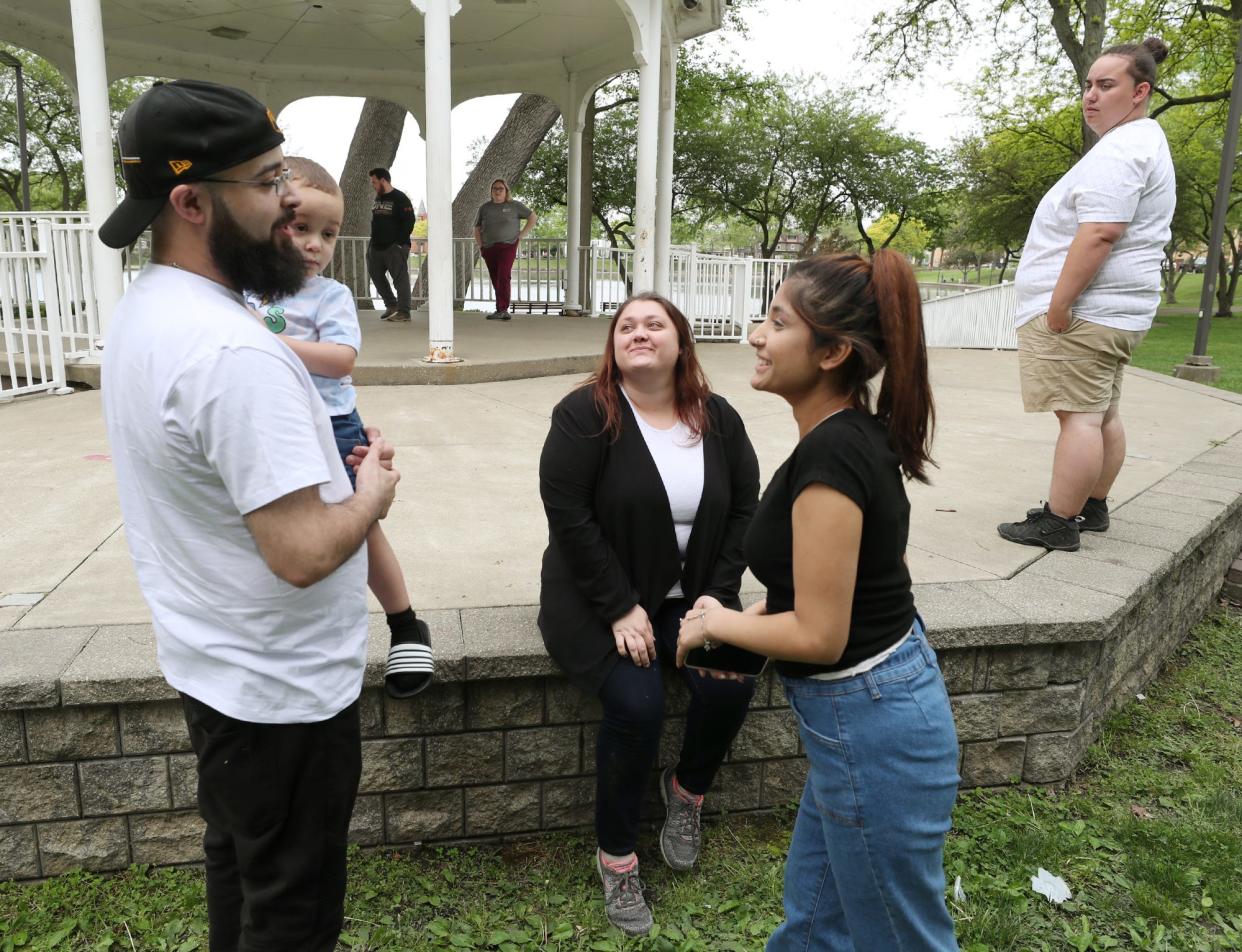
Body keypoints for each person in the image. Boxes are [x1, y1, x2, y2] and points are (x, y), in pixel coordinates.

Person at [98, 80, 400, 952]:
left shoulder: (149, 312)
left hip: (215, 667)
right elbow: (303, 552)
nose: (291, 204)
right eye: (269, 183)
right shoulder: (236, 353)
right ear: (191, 202)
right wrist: (372, 490)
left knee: (240, 866)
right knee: (291, 912)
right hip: (282, 696)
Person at [676, 252, 960, 950]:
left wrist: (717, 619)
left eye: (776, 322)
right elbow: (828, 592)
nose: (755, 334)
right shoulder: (841, 438)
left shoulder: (835, 456)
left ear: (832, 351)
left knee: (900, 940)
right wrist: (745, 621)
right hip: (864, 718)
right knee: (813, 925)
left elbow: (822, 634)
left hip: (874, 726)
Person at [538, 293, 760, 937]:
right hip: (596, 596)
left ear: (680, 343)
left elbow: (746, 507)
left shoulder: (717, 417)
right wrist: (619, 607)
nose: (639, 332)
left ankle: (686, 791)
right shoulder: (585, 413)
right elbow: (569, 519)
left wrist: (716, 598)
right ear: (613, 346)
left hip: (692, 592)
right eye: (626, 325)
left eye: (654, 324)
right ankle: (617, 854)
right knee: (638, 705)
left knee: (732, 676)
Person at [246, 156, 434, 699]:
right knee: (279, 520)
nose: (315, 244)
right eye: (300, 227)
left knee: (359, 523)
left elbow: (341, 359)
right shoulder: (243, 292)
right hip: (270, 425)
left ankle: (404, 623)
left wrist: (269, 343)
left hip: (330, 423)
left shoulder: (328, 296)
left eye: (328, 234)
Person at [997, 37, 1176, 552]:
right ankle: (1090, 507)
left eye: (1106, 85)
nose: (1090, 96)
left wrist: (1059, 303)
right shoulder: (1143, 143)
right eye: (1088, 85)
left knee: (1078, 417)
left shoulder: (1122, 148)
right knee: (1101, 415)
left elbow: (1100, 232)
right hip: (1115, 313)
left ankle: (1059, 521)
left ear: (1139, 91)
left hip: (1084, 313)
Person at [474, 178, 537, 321]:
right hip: (489, 247)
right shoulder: (485, 208)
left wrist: (521, 236)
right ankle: (500, 308)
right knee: (496, 277)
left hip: (508, 246)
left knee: (503, 275)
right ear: (491, 191)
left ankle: (503, 309)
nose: (497, 191)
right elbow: (477, 228)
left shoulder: (514, 206)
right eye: (495, 188)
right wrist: (481, 246)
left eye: (500, 188)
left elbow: (532, 217)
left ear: (506, 191)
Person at [367, 166, 416, 323]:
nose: (373, 185)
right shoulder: (378, 198)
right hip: (376, 246)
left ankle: (404, 312)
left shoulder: (400, 198)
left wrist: (399, 243)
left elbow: (409, 221)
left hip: (395, 247)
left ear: (383, 180)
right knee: (375, 275)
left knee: (400, 279)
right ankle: (391, 305)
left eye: (374, 182)